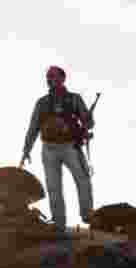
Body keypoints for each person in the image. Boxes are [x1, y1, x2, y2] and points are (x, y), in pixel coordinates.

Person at [21, 65, 94, 231]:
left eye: (53, 76)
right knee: (53, 186)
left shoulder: (74, 99)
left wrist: (88, 120)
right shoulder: (42, 103)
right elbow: (33, 127)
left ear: (62, 78)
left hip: (70, 146)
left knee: (82, 179)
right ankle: (58, 222)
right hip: (49, 148)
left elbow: (88, 123)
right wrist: (26, 150)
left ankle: (88, 213)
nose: (50, 80)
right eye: (48, 77)